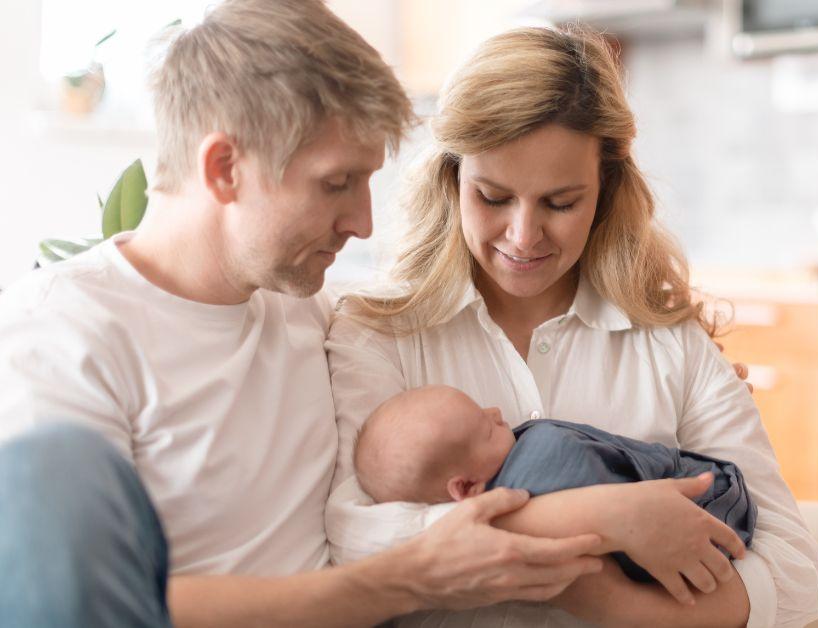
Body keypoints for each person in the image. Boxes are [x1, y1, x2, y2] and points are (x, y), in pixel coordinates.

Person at [0, 2, 624, 626]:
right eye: (335, 183)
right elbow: (79, 609)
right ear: (224, 169)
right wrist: (402, 581)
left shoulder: (313, 315)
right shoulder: (62, 331)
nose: (363, 222)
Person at [326, 25, 818, 627]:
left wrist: (605, 600)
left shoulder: (669, 344)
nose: (523, 235)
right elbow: (353, 543)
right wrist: (606, 519)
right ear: (451, 179)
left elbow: (795, 578)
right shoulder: (377, 333)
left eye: (560, 202)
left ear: (605, 191)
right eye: (492, 196)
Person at [339, 384, 757, 585]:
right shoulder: (543, 457)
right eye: (486, 427)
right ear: (466, 489)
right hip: (711, 504)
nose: (496, 411)